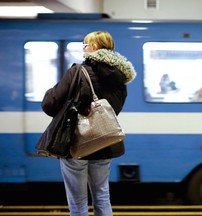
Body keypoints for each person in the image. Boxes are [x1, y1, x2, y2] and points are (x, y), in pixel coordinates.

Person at [41, 31, 136, 216]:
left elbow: (49, 105)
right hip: (104, 141)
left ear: (93, 47)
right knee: (102, 196)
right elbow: (114, 108)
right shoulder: (120, 78)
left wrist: (52, 91)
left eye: (85, 44)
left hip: (77, 143)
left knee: (78, 201)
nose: (83, 48)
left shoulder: (78, 71)